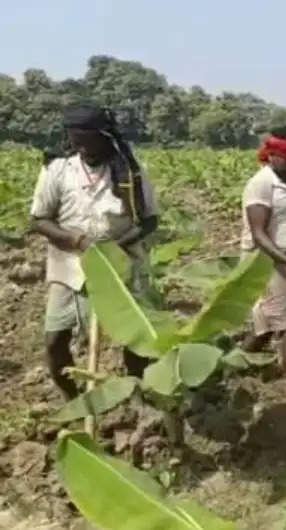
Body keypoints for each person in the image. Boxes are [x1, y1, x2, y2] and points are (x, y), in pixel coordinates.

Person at [29, 104, 159, 400]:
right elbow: (39, 219)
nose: (81, 148)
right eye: (75, 141)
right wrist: (75, 241)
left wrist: (116, 246)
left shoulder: (129, 170)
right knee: (54, 340)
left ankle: (139, 395)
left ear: (104, 136)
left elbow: (150, 219)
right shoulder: (58, 169)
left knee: (135, 339)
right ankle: (73, 400)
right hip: (69, 266)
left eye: (86, 140)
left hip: (122, 263)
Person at [240, 126, 286, 401]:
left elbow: (285, 224)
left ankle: (233, 367)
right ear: (271, 155)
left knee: (265, 326)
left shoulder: (284, 182)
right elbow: (259, 234)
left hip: (282, 258)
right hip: (265, 261)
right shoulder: (262, 183)